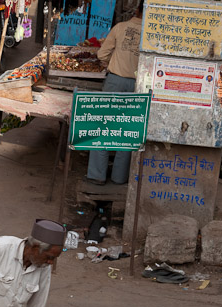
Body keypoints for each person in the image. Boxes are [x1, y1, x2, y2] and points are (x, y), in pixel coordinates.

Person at [86, 0, 144, 186]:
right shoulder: (151, 35)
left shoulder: (120, 27)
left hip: (115, 82)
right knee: (127, 131)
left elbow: (102, 54)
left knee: (103, 126)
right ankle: (119, 177)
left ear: (136, 10)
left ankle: (97, 175)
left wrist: (114, 61)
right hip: (137, 85)